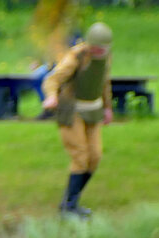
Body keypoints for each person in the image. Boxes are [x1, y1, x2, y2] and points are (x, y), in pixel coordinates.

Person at [41, 22, 114, 216]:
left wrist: (108, 107)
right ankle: (70, 207)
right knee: (80, 156)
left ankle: (70, 202)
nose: (98, 52)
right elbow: (52, 79)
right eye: (95, 48)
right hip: (71, 109)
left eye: (102, 49)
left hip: (93, 110)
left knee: (95, 156)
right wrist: (51, 96)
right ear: (89, 44)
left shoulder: (107, 57)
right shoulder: (76, 56)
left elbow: (104, 81)